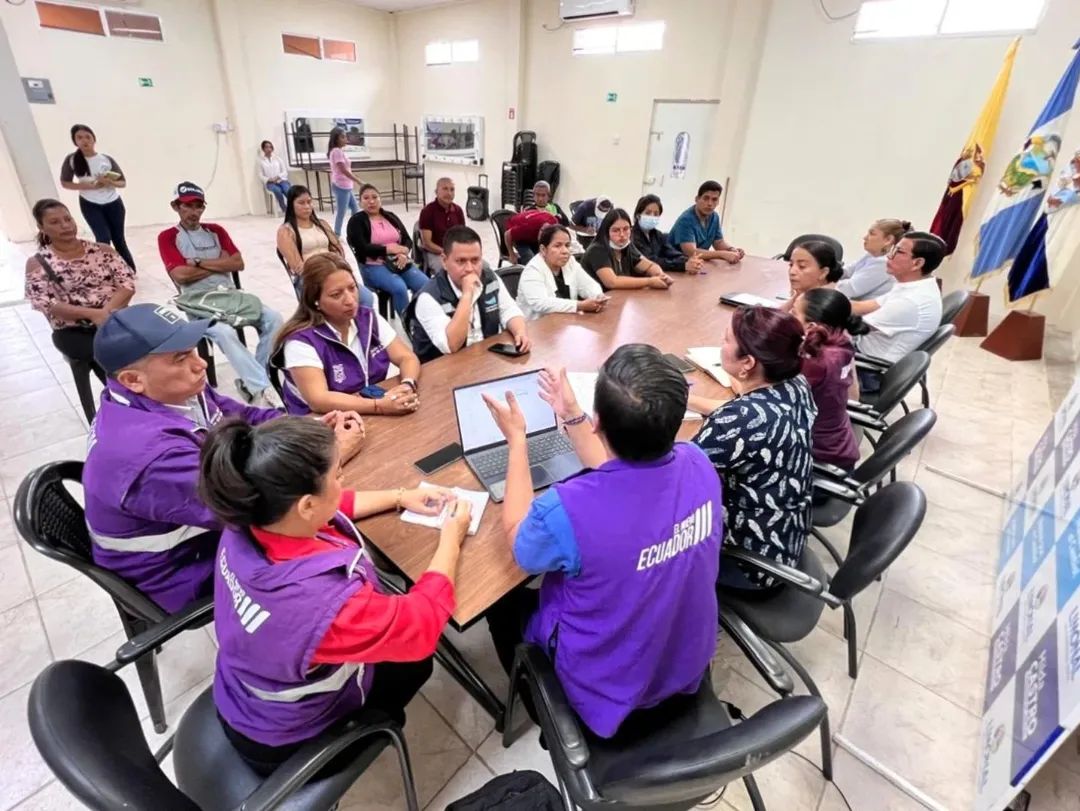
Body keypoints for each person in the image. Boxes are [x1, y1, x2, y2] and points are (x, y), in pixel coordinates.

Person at [200, 416, 470, 774]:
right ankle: (369, 728)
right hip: (287, 741)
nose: (342, 482)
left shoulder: (248, 521)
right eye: (338, 476)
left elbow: (327, 508)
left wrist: (401, 497)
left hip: (242, 693)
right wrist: (452, 537)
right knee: (416, 663)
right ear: (307, 505)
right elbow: (421, 625)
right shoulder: (322, 605)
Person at [480, 345, 723, 738]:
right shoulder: (698, 462)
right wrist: (571, 413)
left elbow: (519, 540)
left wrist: (517, 442)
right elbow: (624, 471)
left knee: (499, 601)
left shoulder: (567, 510)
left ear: (598, 423)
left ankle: (535, 700)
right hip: (683, 664)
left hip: (606, 696)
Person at [82, 303, 297, 612]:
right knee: (314, 544)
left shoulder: (168, 392)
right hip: (179, 571)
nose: (201, 365)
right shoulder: (150, 455)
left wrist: (306, 427)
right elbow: (251, 504)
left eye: (194, 350)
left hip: (201, 529)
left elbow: (244, 417)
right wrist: (314, 454)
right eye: (180, 358)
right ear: (132, 380)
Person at [688, 306, 815, 593]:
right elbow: (745, 414)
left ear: (747, 362)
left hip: (749, 562)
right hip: (786, 535)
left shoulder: (740, 420)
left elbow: (674, 477)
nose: (720, 345)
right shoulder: (795, 384)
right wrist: (689, 399)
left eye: (725, 340)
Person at [158, 182, 283, 407]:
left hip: (230, 295)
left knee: (274, 318)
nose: (194, 212)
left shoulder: (216, 231)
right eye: (187, 206)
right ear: (176, 206)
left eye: (198, 206)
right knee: (224, 332)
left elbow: (237, 263)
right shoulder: (168, 237)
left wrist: (197, 262)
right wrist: (219, 264)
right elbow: (181, 275)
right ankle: (262, 388)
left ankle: (253, 380)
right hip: (198, 302)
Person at [274, 253, 422, 417]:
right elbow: (319, 400)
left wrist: (407, 384)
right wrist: (378, 406)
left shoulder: (368, 318)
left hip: (367, 409)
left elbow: (406, 357)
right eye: (336, 295)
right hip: (322, 422)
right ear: (315, 301)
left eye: (352, 288)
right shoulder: (301, 342)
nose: (350, 300)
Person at [25, 198, 135, 393]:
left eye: (68, 219)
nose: (65, 226)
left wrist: (105, 313)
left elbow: (127, 283)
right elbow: (43, 302)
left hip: (114, 319)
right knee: (108, 356)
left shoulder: (102, 251)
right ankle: (124, 399)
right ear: (41, 228)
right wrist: (92, 315)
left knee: (149, 345)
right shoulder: (38, 262)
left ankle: (145, 396)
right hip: (75, 329)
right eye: (55, 222)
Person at [409, 225, 530, 362]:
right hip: (443, 367)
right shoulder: (428, 297)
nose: (469, 269)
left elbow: (509, 310)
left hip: (485, 358)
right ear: (444, 261)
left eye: (475, 260)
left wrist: (520, 332)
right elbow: (450, 345)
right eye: (461, 261)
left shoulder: (489, 278)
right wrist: (467, 295)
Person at [850, 231, 945, 390]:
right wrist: (816, 298)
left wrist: (815, 306)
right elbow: (861, 307)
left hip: (868, 371)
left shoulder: (911, 301)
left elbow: (853, 327)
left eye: (898, 252)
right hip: (862, 354)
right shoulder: (914, 286)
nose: (889, 256)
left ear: (917, 263)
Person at [792, 288, 862, 473]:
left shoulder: (817, 361)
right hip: (839, 446)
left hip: (817, 459)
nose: (789, 317)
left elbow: (767, 395)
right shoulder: (840, 342)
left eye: (794, 313)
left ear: (810, 326)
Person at [58, 124, 136, 270]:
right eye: (79, 138)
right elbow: (65, 183)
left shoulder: (106, 159)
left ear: (94, 139)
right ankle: (108, 271)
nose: (84, 140)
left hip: (113, 203)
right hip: (90, 204)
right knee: (103, 239)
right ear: (75, 141)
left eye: (88, 137)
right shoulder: (72, 160)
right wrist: (89, 186)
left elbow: (122, 182)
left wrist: (109, 182)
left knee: (119, 240)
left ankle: (129, 270)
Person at [346, 184, 428, 318]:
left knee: (425, 284)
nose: (371, 201)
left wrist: (403, 252)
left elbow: (407, 239)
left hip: (399, 261)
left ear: (380, 200)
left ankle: (421, 317)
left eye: (375, 197)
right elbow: (362, 248)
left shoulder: (390, 216)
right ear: (360, 202)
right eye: (366, 198)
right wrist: (387, 249)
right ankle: (409, 322)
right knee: (399, 287)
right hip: (373, 265)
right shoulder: (356, 221)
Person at [276, 185, 367, 303]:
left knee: (366, 297)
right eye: (301, 203)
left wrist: (336, 267)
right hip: (309, 277)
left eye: (309, 202)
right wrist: (324, 272)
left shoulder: (322, 224)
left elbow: (338, 250)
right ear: (291, 205)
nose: (307, 206)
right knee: (342, 300)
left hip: (333, 270)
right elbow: (297, 266)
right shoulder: (286, 231)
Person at [516, 224, 607, 320]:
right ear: (543, 249)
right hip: (536, 325)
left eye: (567, 245)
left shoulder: (570, 262)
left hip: (565, 322)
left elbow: (588, 284)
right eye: (557, 246)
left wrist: (598, 296)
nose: (565, 251)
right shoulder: (533, 270)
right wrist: (579, 305)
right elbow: (541, 303)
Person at [580, 208, 673, 291]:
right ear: (606, 232)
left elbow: (649, 266)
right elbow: (612, 282)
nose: (622, 235)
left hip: (618, 298)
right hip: (594, 301)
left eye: (626, 229)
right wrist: (649, 282)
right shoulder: (597, 250)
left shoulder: (626, 246)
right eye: (616, 230)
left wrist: (660, 275)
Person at [669, 180, 744, 264]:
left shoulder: (714, 217)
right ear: (697, 199)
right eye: (706, 198)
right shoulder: (686, 220)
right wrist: (722, 254)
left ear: (718, 202)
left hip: (697, 265)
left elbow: (718, 242)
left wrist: (732, 250)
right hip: (675, 264)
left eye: (714, 199)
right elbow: (691, 252)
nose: (709, 203)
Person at [836, 219, 908, 301]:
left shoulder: (884, 263)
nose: (865, 237)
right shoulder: (872, 255)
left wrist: (824, 280)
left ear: (888, 240)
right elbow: (846, 272)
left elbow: (849, 289)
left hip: (865, 308)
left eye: (872, 234)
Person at [631, 194, 704, 275]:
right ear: (638, 215)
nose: (652, 216)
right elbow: (650, 261)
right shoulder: (632, 236)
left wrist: (689, 260)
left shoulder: (658, 235)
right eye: (648, 213)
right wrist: (683, 265)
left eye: (656, 214)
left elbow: (671, 253)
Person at [417, 177, 466, 272]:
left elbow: (463, 236)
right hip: (436, 252)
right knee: (450, 270)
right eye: (445, 189)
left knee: (483, 267)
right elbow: (427, 243)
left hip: (455, 251)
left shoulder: (458, 210)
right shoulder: (428, 211)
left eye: (452, 190)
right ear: (436, 192)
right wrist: (447, 253)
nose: (449, 193)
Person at [328, 127, 362, 236]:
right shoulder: (336, 151)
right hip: (341, 186)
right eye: (342, 137)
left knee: (355, 209)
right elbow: (343, 170)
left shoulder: (339, 151)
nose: (345, 139)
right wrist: (358, 180)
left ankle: (354, 231)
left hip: (346, 185)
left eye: (345, 136)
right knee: (341, 212)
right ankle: (336, 234)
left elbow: (346, 169)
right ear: (336, 139)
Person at [258, 140, 291, 214]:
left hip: (281, 180)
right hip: (270, 183)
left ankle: (293, 207)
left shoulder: (278, 159)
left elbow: (284, 171)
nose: (269, 149)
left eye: (270, 147)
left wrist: (278, 177)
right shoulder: (261, 161)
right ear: (263, 149)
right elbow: (260, 175)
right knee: (277, 191)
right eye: (266, 147)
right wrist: (269, 179)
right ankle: (284, 208)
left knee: (287, 190)